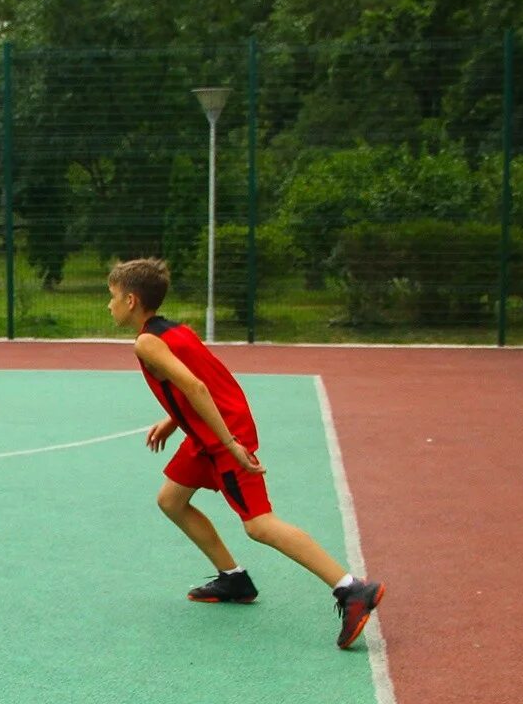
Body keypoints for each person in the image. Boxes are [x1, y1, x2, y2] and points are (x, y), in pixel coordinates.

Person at [107, 258, 385, 649]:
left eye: (113, 298)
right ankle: (234, 579)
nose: (110, 305)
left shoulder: (147, 342)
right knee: (171, 499)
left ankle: (351, 588)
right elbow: (197, 381)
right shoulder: (175, 331)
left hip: (222, 435)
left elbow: (197, 388)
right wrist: (173, 420)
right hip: (210, 432)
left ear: (132, 300)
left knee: (259, 524)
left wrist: (229, 444)